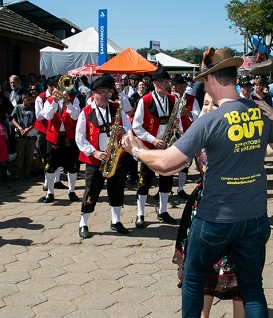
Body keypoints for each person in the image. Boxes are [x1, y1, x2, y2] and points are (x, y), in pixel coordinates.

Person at [122, 47, 273, 318]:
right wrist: (271, 116)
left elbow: (169, 163)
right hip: (255, 215)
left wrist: (136, 151)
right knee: (253, 287)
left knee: (195, 276)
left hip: (215, 216)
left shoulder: (210, 120)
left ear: (213, 79)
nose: (203, 87)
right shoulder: (255, 113)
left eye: (204, 81)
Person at [172, 92, 250, 318]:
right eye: (204, 104)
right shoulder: (199, 131)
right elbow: (176, 164)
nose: (207, 108)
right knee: (203, 265)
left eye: (213, 104)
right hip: (204, 205)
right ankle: (202, 317)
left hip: (238, 205)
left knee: (240, 265)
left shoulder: (236, 131)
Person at [74, 74, 132, 238]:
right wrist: (95, 152)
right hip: (95, 159)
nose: (107, 95)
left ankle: (116, 221)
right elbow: (79, 137)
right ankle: (83, 223)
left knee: (117, 189)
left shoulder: (116, 109)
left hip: (116, 157)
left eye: (109, 91)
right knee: (91, 190)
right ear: (94, 93)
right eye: (103, 91)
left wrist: (124, 131)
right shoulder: (86, 112)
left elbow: (129, 128)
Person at [132, 67, 179, 227]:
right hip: (150, 147)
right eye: (164, 82)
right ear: (155, 83)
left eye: (167, 82)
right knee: (145, 180)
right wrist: (153, 140)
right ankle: (140, 213)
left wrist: (175, 127)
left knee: (167, 179)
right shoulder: (144, 100)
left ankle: (163, 211)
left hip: (166, 145)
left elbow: (176, 120)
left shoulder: (172, 99)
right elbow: (136, 126)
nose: (167, 85)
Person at [38, 75, 81, 203]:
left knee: (72, 166)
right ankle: (50, 192)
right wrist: (55, 102)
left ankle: (71, 191)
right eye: (59, 87)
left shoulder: (74, 100)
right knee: (50, 166)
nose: (62, 89)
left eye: (65, 86)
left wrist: (67, 102)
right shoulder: (50, 100)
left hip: (69, 137)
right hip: (54, 137)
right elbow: (47, 116)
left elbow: (76, 116)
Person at [172, 73, 201, 199]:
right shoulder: (168, 98)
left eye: (176, 85)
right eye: (173, 85)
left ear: (183, 86)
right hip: (171, 135)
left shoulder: (191, 99)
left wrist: (187, 112)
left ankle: (180, 188)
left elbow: (198, 115)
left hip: (186, 134)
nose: (173, 87)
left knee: (184, 163)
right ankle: (164, 189)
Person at [11, 90, 40, 179]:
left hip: (30, 135)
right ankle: (17, 172)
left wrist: (29, 129)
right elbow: (14, 119)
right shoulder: (18, 108)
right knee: (20, 154)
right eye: (28, 99)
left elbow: (36, 121)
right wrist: (20, 128)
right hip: (20, 135)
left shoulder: (33, 108)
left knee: (29, 154)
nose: (30, 101)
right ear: (23, 99)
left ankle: (27, 171)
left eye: (31, 99)